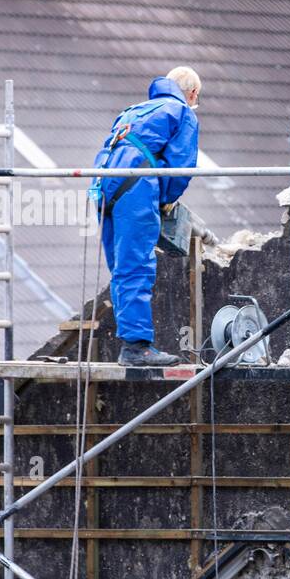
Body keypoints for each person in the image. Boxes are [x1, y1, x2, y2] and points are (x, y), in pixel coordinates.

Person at [90, 67, 201, 366]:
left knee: (122, 269)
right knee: (137, 265)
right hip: (135, 187)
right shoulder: (182, 112)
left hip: (103, 186)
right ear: (191, 93)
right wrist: (164, 201)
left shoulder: (134, 110)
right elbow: (179, 169)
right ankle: (136, 349)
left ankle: (131, 343)